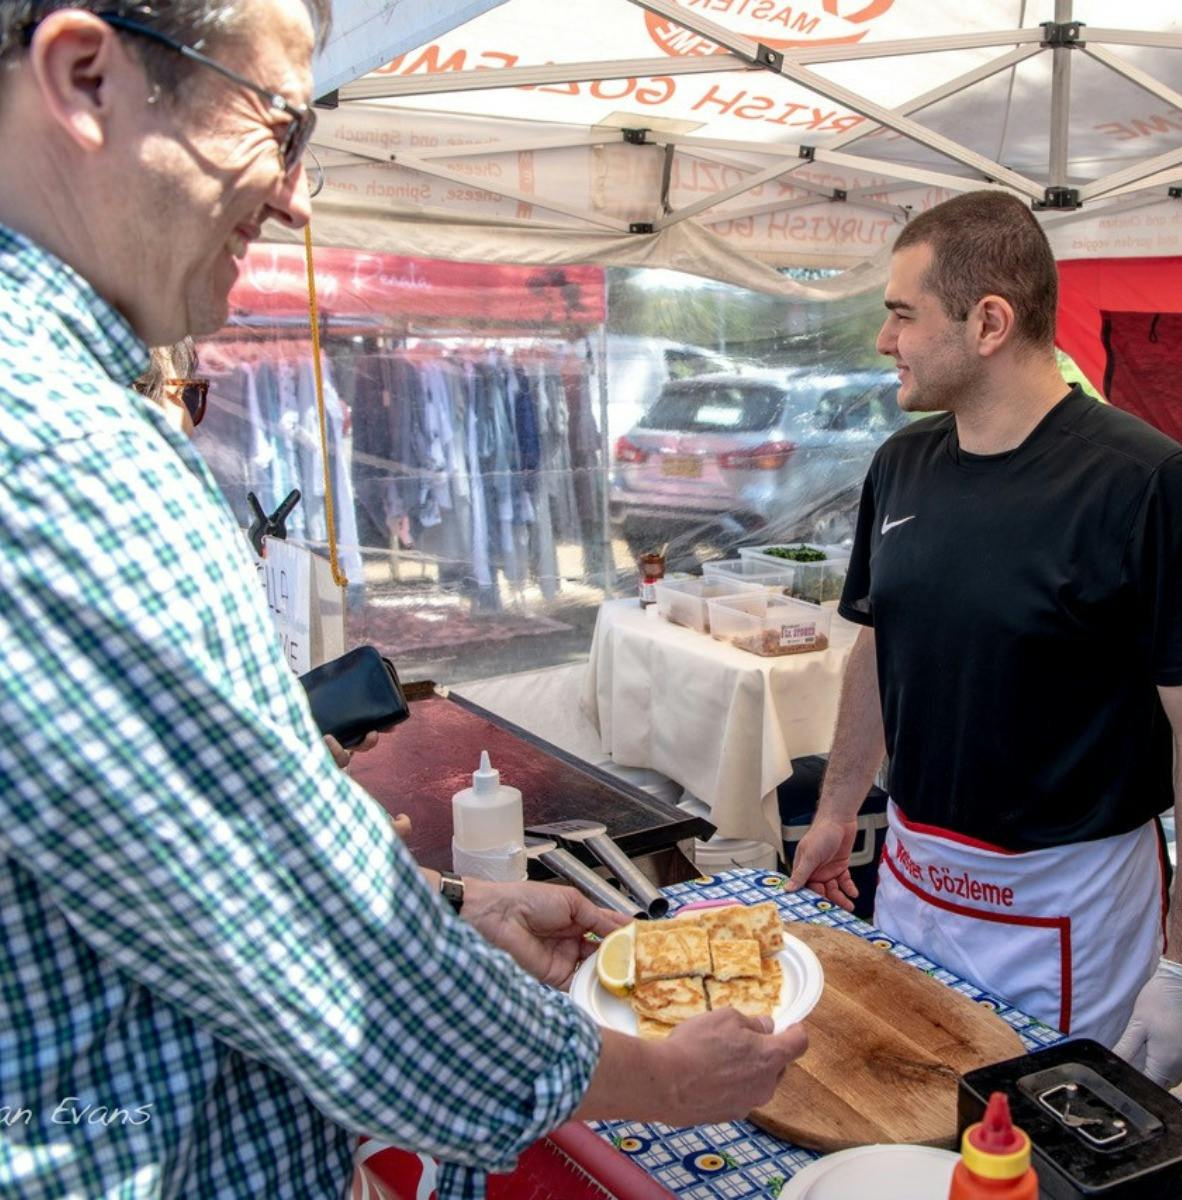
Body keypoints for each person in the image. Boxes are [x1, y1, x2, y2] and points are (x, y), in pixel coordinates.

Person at [0, 2, 805, 1196]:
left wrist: (451, 902)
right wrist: (657, 1080)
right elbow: (314, 947)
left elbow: (152, 889)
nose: (295, 198)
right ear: (84, 75)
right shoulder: (61, 453)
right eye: (278, 125)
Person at [786, 190, 1182, 1090]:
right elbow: (880, 647)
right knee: (913, 1117)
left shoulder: (1151, 487)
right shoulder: (901, 465)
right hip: (915, 878)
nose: (883, 340)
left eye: (902, 314)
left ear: (990, 323)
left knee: (1038, 1146)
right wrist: (839, 811)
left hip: (1071, 902)